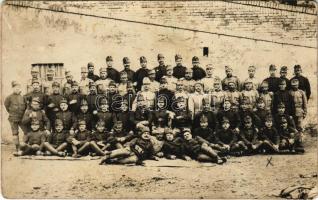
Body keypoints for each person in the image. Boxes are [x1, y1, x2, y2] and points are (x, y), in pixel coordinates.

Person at [4, 81, 28, 154]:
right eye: (15, 87)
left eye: (18, 87)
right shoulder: (9, 97)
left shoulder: (23, 97)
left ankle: (23, 146)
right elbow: (7, 106)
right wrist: (12, 113)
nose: (17, 89)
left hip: (22, 118)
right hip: (13, 118)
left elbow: (25, 106)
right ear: (13, 88)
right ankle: (17, 148)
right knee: (15, 133)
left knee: (26, 132)